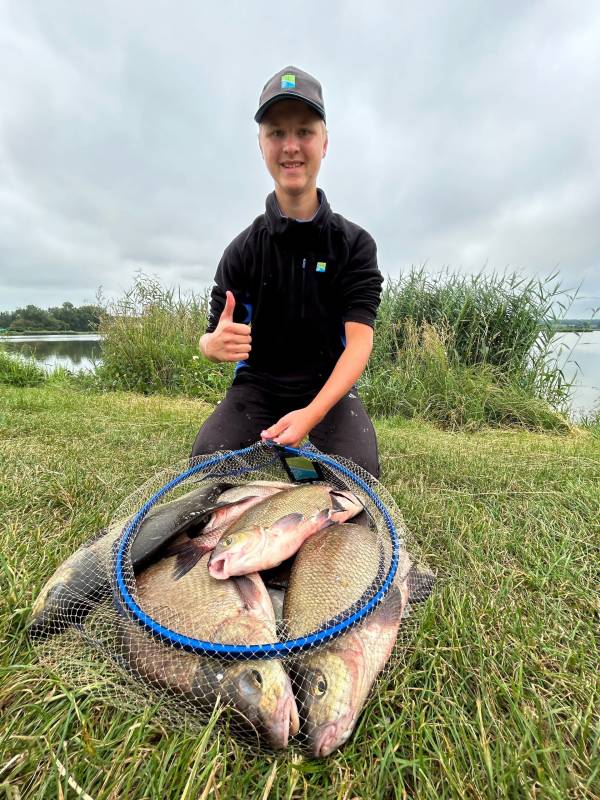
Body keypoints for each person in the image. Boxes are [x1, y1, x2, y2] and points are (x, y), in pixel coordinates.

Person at [191, 66, 383, 476]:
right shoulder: (242, 250)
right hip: (257, 388)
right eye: (276, 133)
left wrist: (310, 415)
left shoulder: (355, 245)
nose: (291, 146)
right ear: (261, 145)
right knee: (207, 462)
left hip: (327, 390)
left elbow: (358, 345)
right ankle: (280, 454)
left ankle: (299, 450)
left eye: (304, 132)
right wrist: (213, 345)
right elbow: (212, 338)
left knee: (359, 473)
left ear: (325, 142)